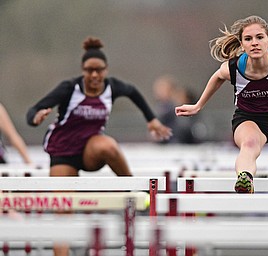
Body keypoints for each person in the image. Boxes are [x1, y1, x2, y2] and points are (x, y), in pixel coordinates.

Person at [26, 37, 172, 256]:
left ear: (106, 70)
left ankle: (133, 189)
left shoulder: (112, 87)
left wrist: (151, 119)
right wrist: (36, 118)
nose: (94, 75)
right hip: (63, 153)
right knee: (63, 213)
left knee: (108, 146)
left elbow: (133, 92)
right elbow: (34, 109)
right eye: (89, 70)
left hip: (89, 150)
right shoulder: (69, 88)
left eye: (99, 70)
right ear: (82, 70)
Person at [175, 15, 268, 193]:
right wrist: (198, 106)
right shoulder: (234, 68)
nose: (255, 43)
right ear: (242, 44)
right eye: (248, 39)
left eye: (260, 37)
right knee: (249, 145)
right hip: (250, 121)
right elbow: (218, 77)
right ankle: (245, 178)